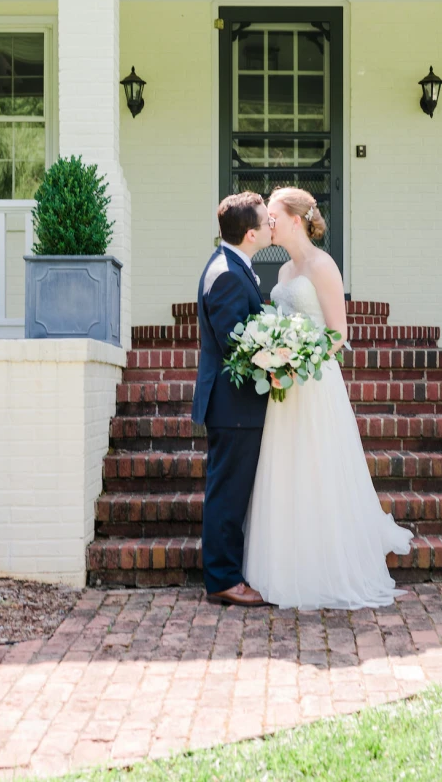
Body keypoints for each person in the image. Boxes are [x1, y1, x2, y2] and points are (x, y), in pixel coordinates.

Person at [242, 186, 413, 610]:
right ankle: (283, 568)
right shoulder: (282, 274)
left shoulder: (323, 266)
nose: (269, 223)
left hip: (314, 385)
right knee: (287, 472)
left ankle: (325, 570)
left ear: (296, 220)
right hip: (284, 390)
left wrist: (299, 362)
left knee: (318, 470)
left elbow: (339, 334)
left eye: (275, 216)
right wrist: (274, 357)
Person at [192, 192, 274, 607]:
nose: (270, 226)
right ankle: (223, 580)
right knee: (227, 493)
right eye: (265, 222)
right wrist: (278, 361)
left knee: (230, 490)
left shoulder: (232, 265)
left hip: (237, 407)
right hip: (232, 406)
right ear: (249, 234)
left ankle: (227, 573)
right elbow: (235, 344)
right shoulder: (225, 274)